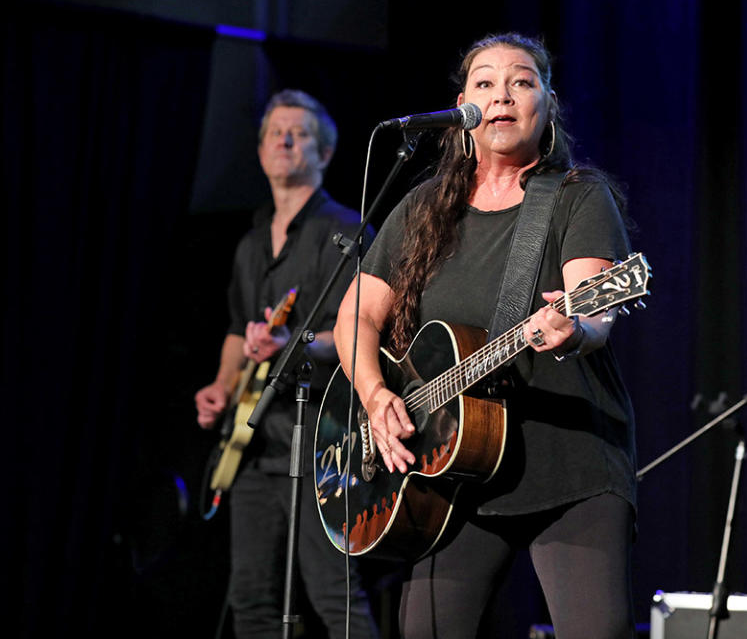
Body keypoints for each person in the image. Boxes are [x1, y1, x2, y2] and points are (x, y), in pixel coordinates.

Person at [333, 34, 637, 639]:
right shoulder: (425, 208)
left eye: (522, 82)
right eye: (485, 83)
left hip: (567, 465)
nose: (503, 95)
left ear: (547, 105)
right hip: (452, 473)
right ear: (462, 107)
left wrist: (572, 328)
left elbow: (596, 313)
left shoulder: (578, 196)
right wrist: (374, 394)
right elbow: (355, 317)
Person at [194, 89, 378, 639]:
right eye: (275, 131)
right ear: (259, 151)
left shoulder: (345, 233)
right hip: (253, 447)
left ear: (323, 154)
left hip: (322, 442)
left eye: (298, 133)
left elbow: (360, 334)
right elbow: (238, 328)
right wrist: (222, 386)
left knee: (333, 596)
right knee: (250, 599)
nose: (284, 139)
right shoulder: (251, 244)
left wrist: (294, 345)